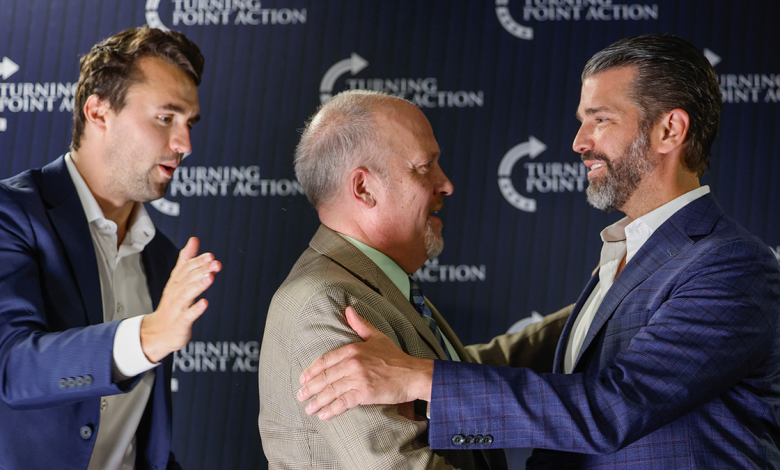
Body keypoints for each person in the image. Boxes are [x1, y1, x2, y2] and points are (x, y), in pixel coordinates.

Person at [296, 34, 780, 468]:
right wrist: (398, 368)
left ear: (669, 131)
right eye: (580, 121)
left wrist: (422, 378)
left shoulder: (731, 265)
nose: (578, 142)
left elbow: (612, 409)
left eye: (600, 119)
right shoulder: (627, 252)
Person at [258, 90, 569, 469]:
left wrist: (598, 303)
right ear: (364, 188)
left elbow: (456, 369)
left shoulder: (367, 283)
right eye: (425, 168)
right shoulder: (327, 303)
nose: (446, 184)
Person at [0, 26, 221, 469]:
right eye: (165, 118)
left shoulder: (161, 257)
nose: (184, 145)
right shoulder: (11, 214)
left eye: (189, 123)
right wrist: (149, 335)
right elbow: (13, 367)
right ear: (98, 111)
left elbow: (141, 441)